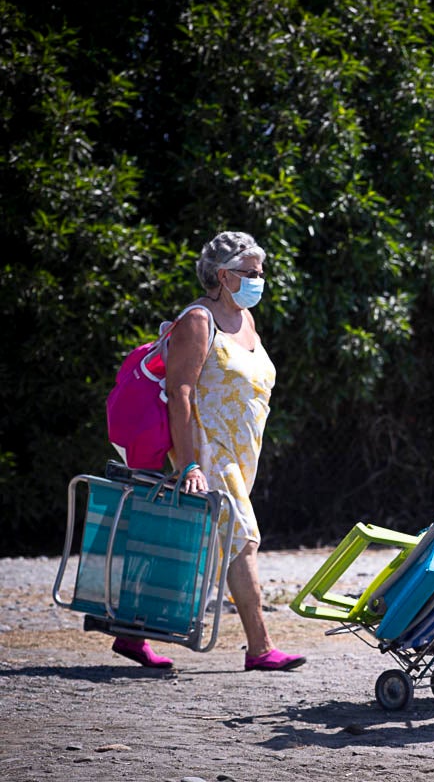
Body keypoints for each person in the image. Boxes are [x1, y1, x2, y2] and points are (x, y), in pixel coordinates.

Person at [109, 231, 305, 672]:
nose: (259, 280)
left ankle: (132, 633)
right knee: (242, 539)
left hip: (240, 453)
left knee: (199, 544)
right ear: (223, 274)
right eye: (250, 273)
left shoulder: (245, 321)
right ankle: (260, 648)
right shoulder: (199, 320)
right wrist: (191, 462)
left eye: (261, 272)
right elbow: (180, 393)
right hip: (207, 447)